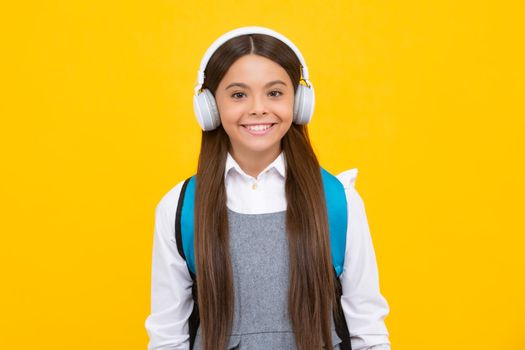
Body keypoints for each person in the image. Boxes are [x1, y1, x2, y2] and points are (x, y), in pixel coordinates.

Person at [145, 26, 390, 350]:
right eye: (238, 94)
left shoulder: (337, 200)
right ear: (209, 106)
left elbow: (368, 332)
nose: (258, 108)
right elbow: (167, 337)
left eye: (274, 93)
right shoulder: (180, 207)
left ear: (299, 101)